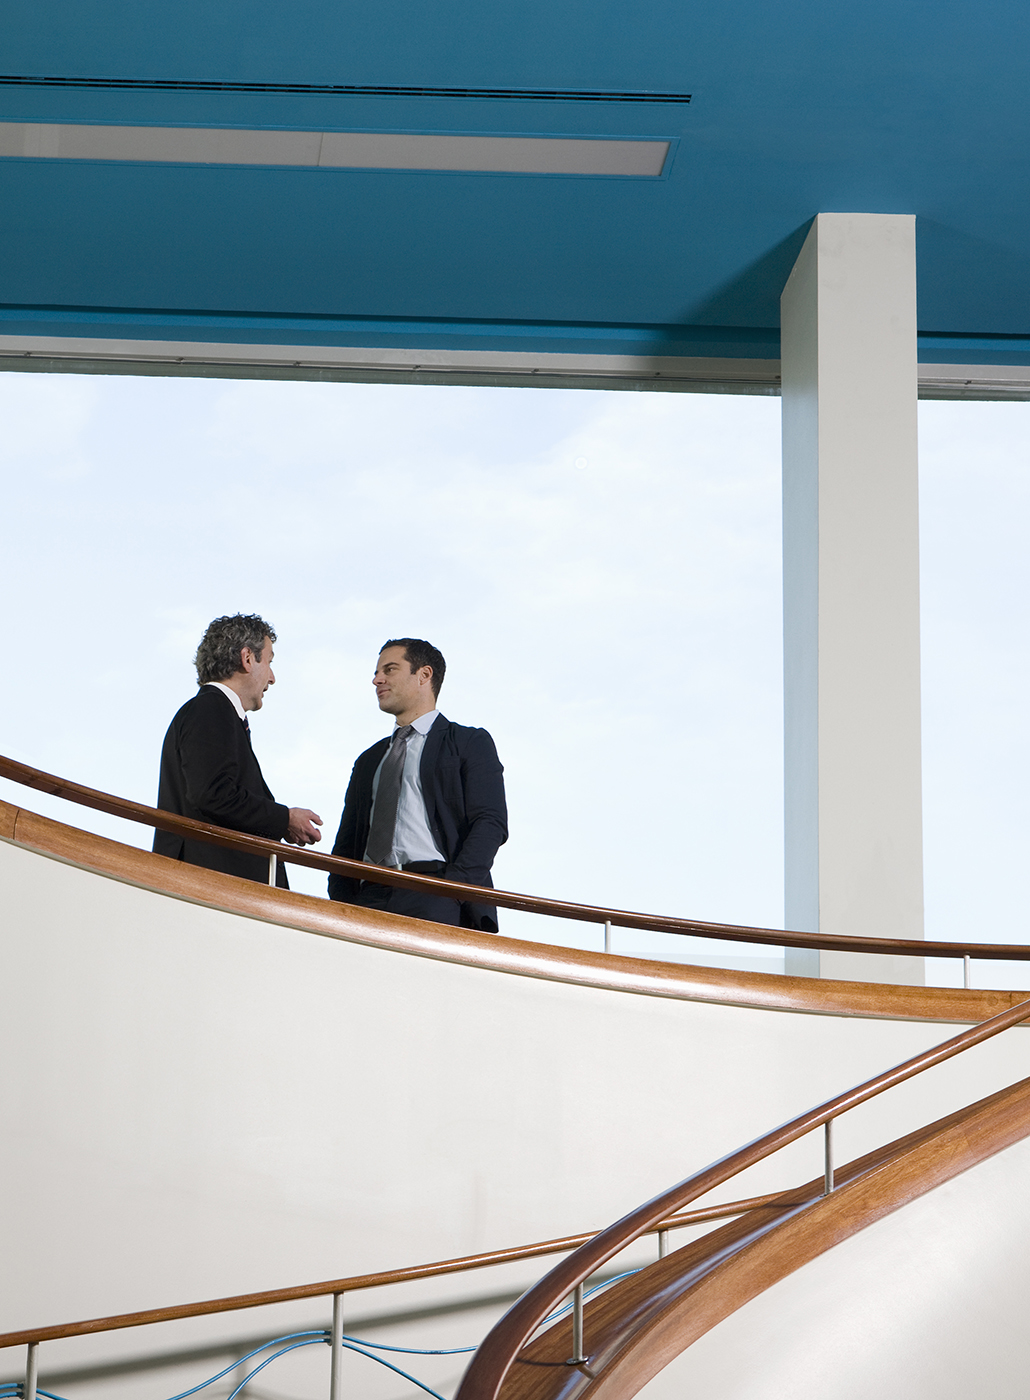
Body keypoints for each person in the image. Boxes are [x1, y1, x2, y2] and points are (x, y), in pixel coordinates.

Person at [328, 638, 507, 930]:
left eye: (390, 669)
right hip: (367, 897)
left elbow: (490, 823)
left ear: (424, 675)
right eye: (377, 672)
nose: (377, 680)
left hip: (436, 894)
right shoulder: (369, 760)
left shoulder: (469, 743)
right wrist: (344, 898)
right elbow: (347, 840)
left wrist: (452, 891)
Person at [154, 613, 322, 886]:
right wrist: (284, 819)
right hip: (212, 885)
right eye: (268, 662)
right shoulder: (211, 708)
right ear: (247, 658)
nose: (272, 677)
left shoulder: (213, 711)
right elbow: (213, 794)